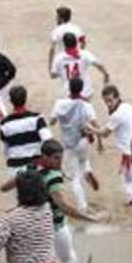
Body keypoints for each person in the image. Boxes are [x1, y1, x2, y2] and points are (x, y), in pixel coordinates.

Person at [94, 85, 132, 227]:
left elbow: (104, 133)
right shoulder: (126, 106)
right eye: (106, 101)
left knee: (129, 186)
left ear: (117, 97)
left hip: (130, 152)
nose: (108, 103)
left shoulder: (116, 115)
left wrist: (90, 128)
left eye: (110, 100)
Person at [49, 77, 101, 213]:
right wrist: (99, 141)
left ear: (69, 88)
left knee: (74, 178)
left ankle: (83, 207)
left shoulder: (60, 104)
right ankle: (88, 171)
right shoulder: (86, 105)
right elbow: (95, 124)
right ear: (81, 89)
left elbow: (52, 121)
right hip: (83, 141)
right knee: (83, 159)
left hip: (69, 145)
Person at [0, 86, 52, 174]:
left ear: (11, 101)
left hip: (15, 168)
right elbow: (48, 140)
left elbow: (4, 150)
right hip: (35, 166)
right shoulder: (37, 118)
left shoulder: (4, 124)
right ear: (25, 98)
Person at [50, 33, 110, 100]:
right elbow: (99, 65)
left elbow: (53, 75)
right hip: (85, 92)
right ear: (76, 42)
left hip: (68, 93)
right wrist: (105, 74)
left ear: (64, 44)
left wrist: (62, 71)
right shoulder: (85, 53)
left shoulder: (59, 57)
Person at [47, 6, 86, 77]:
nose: (56, 19)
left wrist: (50, 68)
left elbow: (52, 49)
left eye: (57, 17)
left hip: (63, 62)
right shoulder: (77, 28)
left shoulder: (56, 31)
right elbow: (83, 43)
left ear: (61, 19)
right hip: (76, 61)